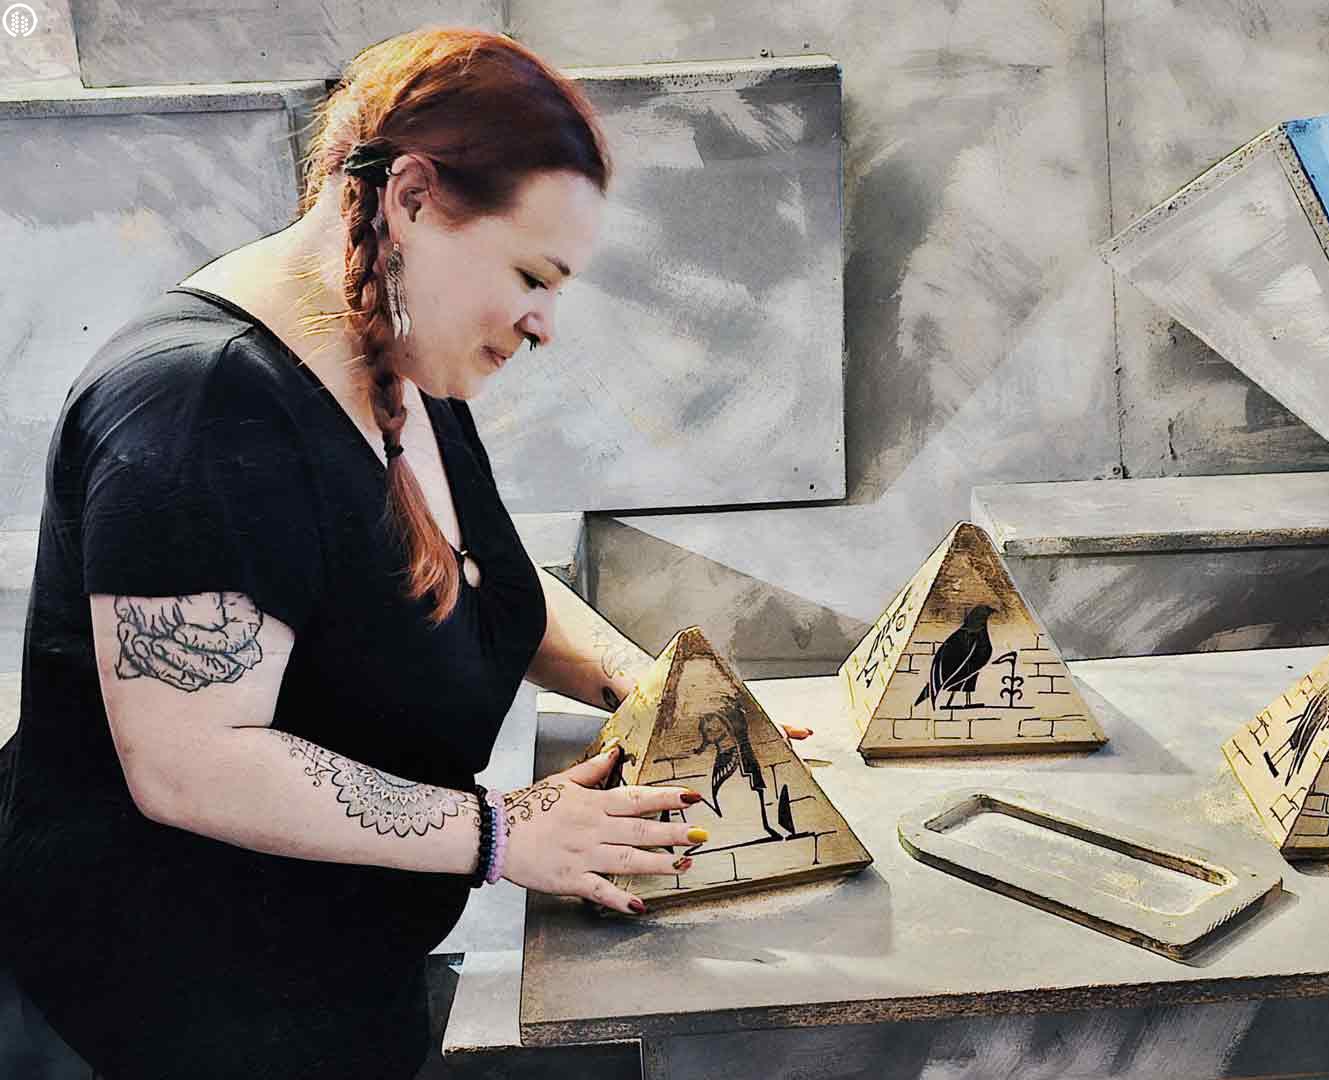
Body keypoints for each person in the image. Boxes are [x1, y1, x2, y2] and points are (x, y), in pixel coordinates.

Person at [0, 26, 802, 1078]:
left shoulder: (391, 355)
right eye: (530, 274)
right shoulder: (198, 406)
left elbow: (476, 583)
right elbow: (193, 763)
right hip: (165, 1013)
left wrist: (653, 690)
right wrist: (504, 834)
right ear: (412, 198)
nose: (543, 324)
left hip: (327, 979)